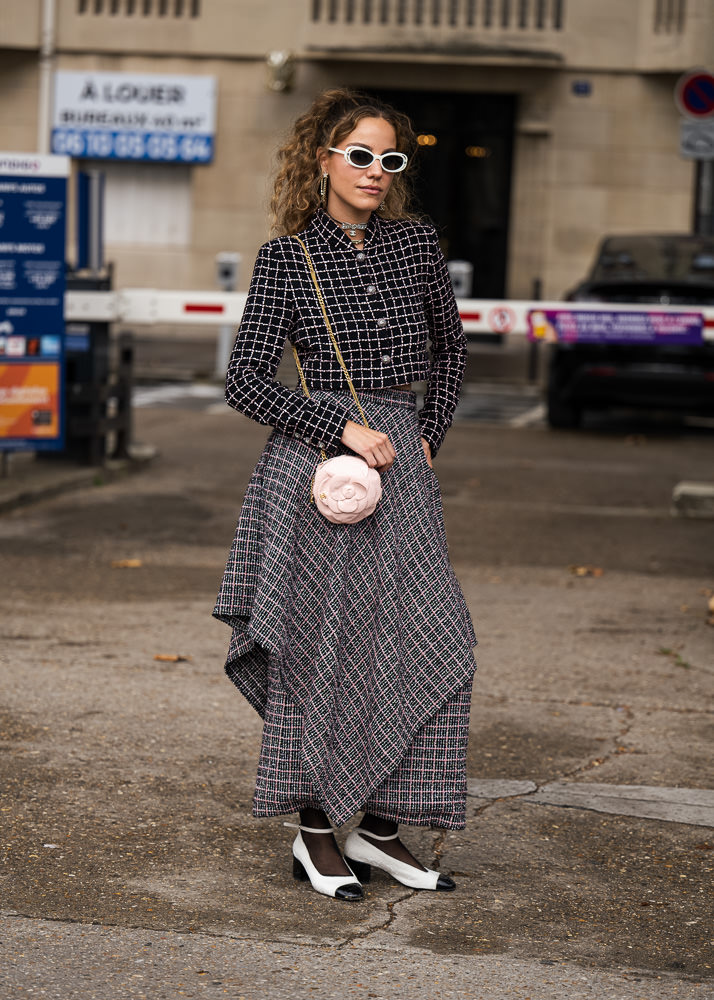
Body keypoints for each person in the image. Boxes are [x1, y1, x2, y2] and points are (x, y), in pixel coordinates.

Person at [213, 88, 476, 902]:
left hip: (404, 468)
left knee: (431, 638)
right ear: (323, 159)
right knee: (320, 643)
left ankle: (386, 822)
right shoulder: (286, 257)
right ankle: (318, 831)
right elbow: (245, 380)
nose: (373, 171)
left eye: (389, 159)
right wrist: (334, 428)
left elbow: (453, 352)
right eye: (358, 154)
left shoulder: (417, 244)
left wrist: (428, 431)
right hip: (316, 473)